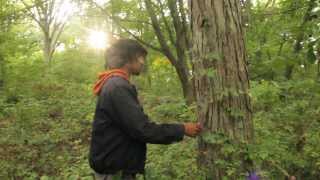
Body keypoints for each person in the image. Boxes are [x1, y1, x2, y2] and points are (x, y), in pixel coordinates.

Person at [89, 39, 202, 180]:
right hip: (114, 173)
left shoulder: (114, 83)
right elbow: (142, 129)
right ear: (128, 58)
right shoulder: (118, 87)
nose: (143, 62)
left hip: (113, 170)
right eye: (140, 57)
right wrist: (182, 129)